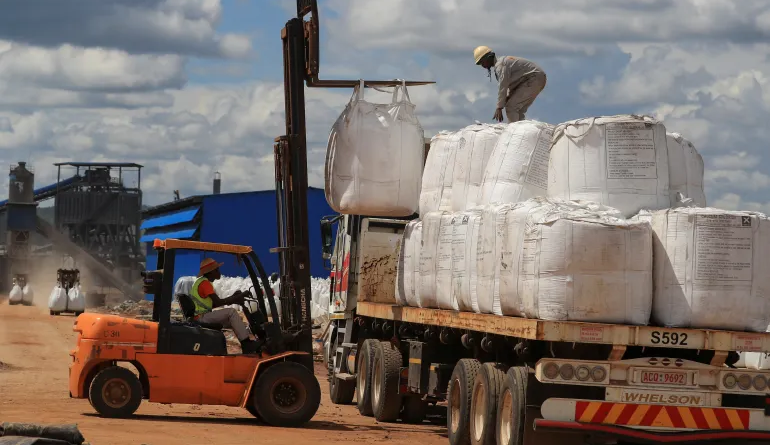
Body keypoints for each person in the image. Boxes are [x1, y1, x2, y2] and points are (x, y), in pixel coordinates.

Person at [190, 258, 259, 354]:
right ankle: (246, 344)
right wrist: (237, 297)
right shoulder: (205, 283)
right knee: (232, 312)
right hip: (201, 317)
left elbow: (213, 304)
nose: (219, 272)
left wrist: (234, 298)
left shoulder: (201, 282)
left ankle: (245, 343)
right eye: (216, 270)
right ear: (210, 272)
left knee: (233, 319)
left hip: (201, 316)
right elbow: (218, 302)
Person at [473, 46, 547, 123]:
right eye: (480, 64)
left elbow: (503, 86)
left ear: (489, 57)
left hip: (534, 78)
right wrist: (507, 98)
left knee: (511, 107)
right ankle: (519, 130)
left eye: (482, 62)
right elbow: (514, 85)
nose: (482, 65)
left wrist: (499, 107)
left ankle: (514, 131)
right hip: (535, 78)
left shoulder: (501, 65)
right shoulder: (501, 64)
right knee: (517, 108)